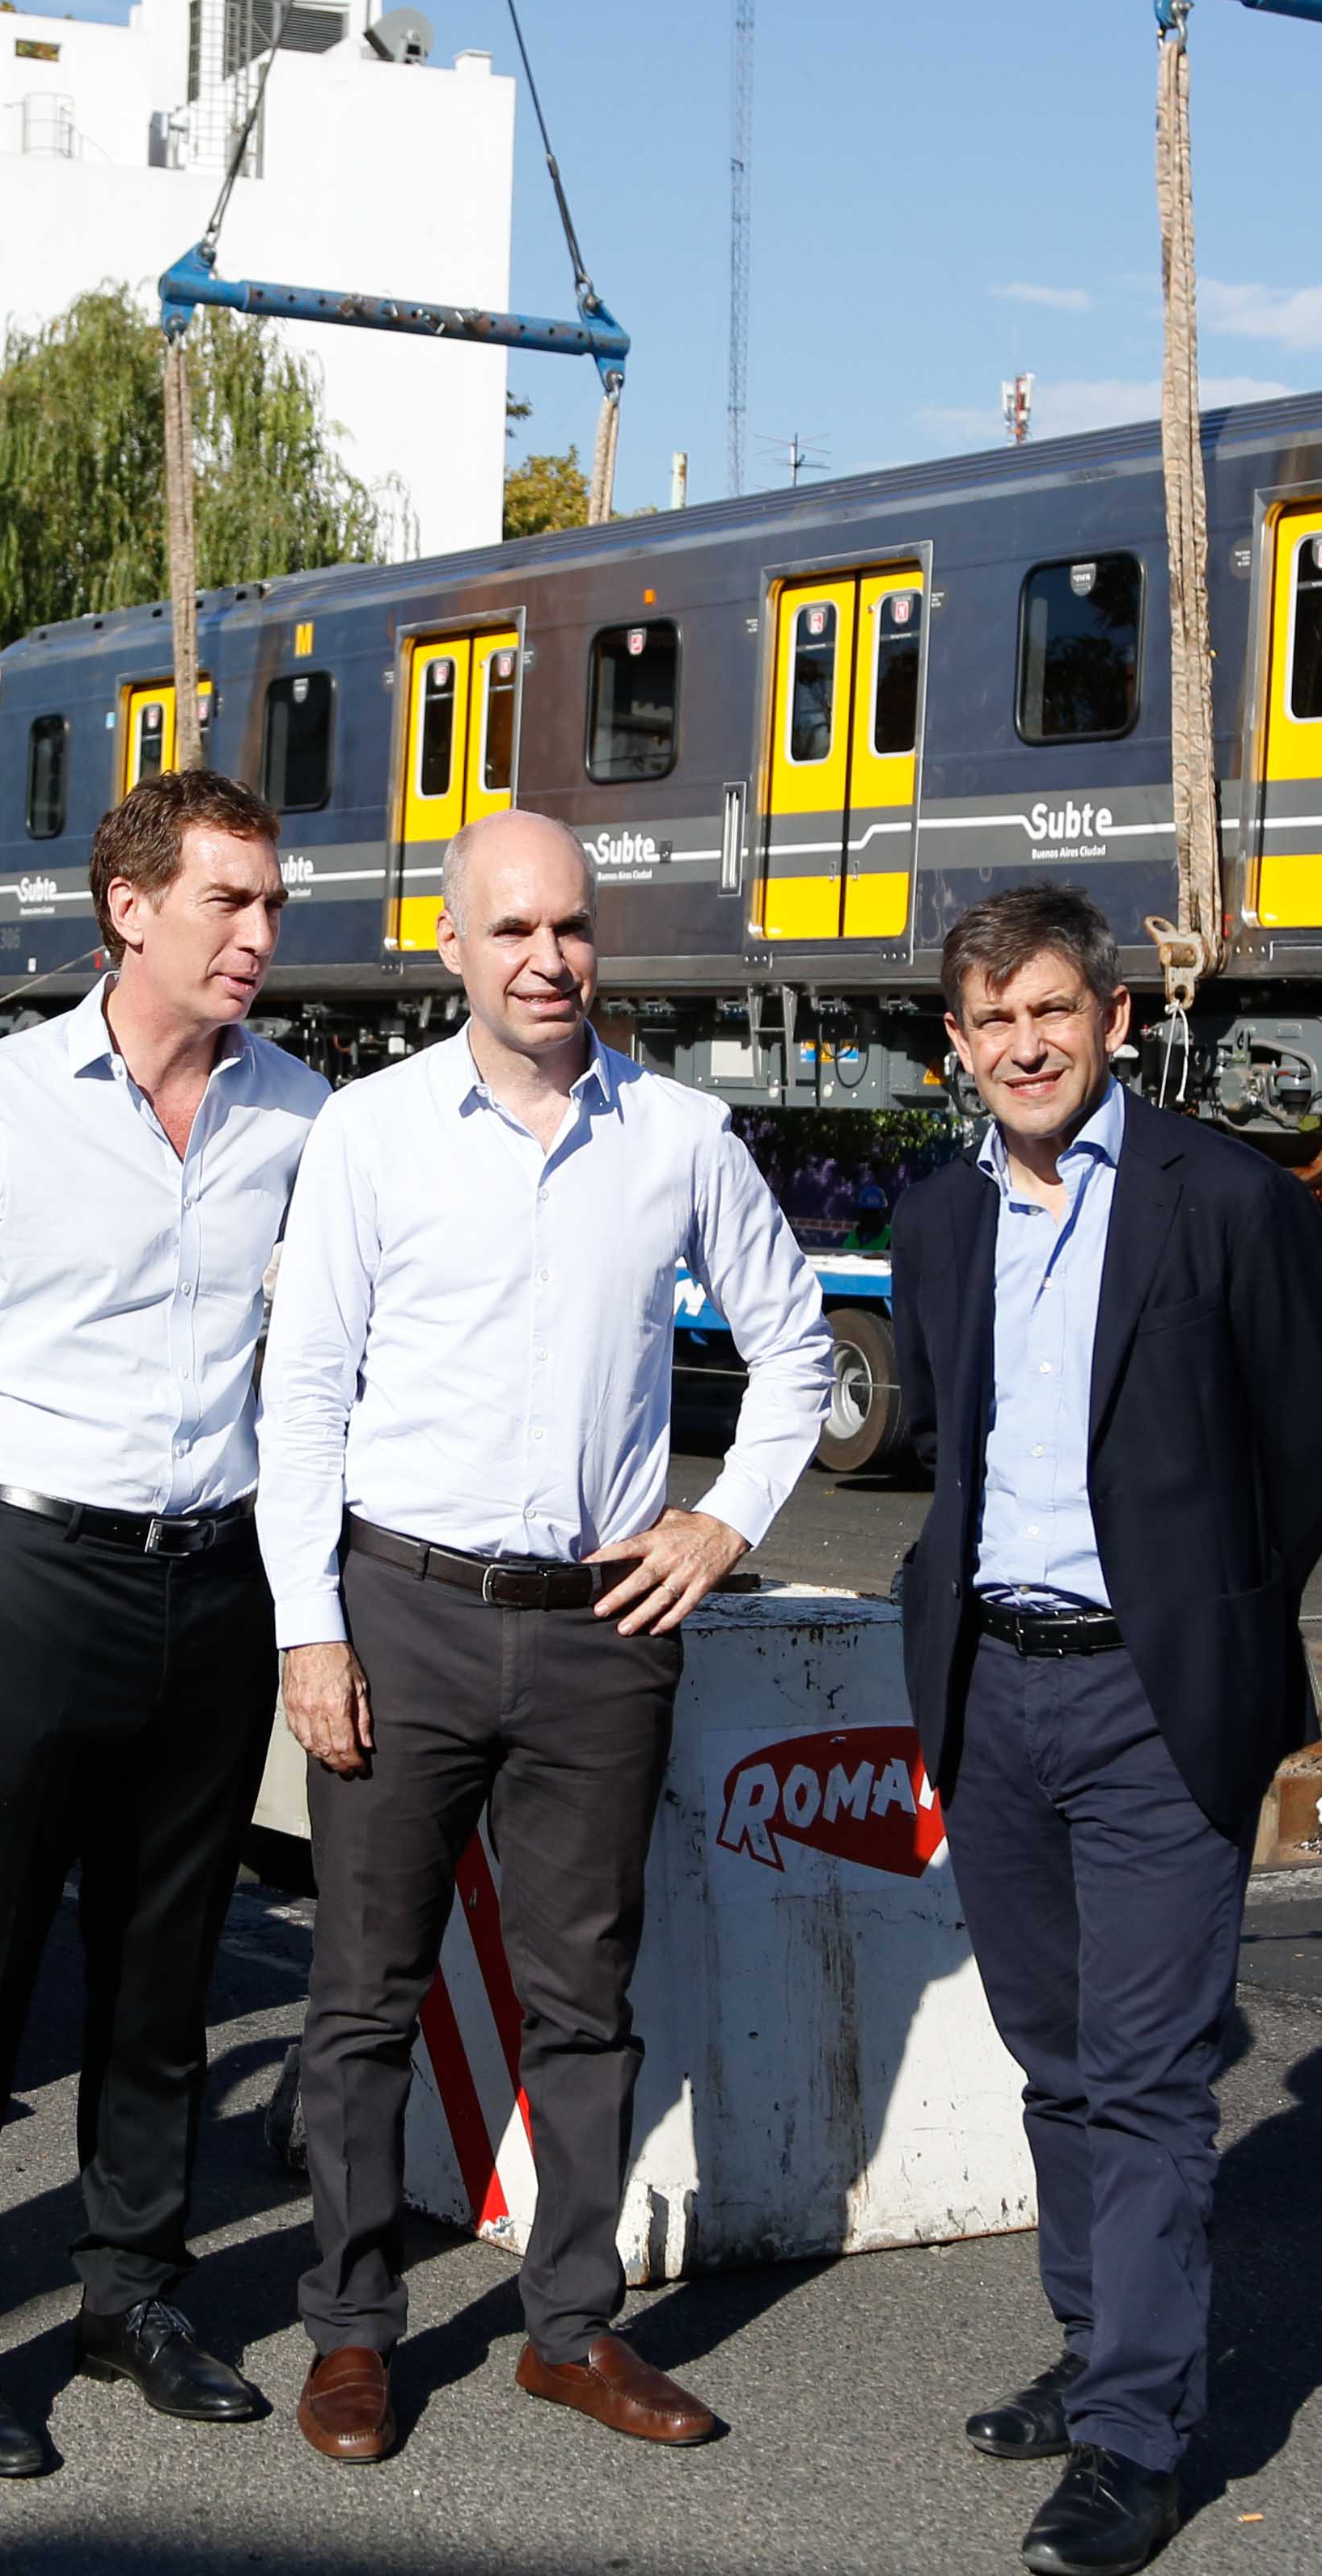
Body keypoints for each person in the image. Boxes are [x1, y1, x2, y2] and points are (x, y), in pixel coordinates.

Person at [256, 807, 834, 2465]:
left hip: (598, 1632)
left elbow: (796, 1349)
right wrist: (308, 1629)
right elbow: (305, 1394)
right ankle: (351, 2329)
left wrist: (723, 1522)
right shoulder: (370, 1132)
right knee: (363, 1996)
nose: (546, 958)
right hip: (402, 1613)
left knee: (582, 1999)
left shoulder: (680, 1136)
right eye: (510, 929)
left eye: (569, 926)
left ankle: (569, 2329)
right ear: (450, 946)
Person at [0, 768, 328, 2477]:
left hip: (214, 1581)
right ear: (129, 909)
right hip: (27, 1577)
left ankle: (133, 2295)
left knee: (161, 1975)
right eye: (227, 901)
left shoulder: (300, 1113)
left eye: (270, 903)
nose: (260, 933)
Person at [884, 882, 1322, 2576]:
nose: (1023, 1045)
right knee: (1057, 2054)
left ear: (1113, 1019)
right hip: (989, 1685)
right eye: (991, 1021)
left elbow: (1311, 1452)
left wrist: (1207, 1615)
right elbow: (941, 1435)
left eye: (1050, 1011)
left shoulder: (1223, 1200)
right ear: (957, 1045)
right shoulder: (936, 1218)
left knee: (1152, 2074)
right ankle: (1097, 2351)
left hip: (1154, 1693)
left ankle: (1137, 2440)